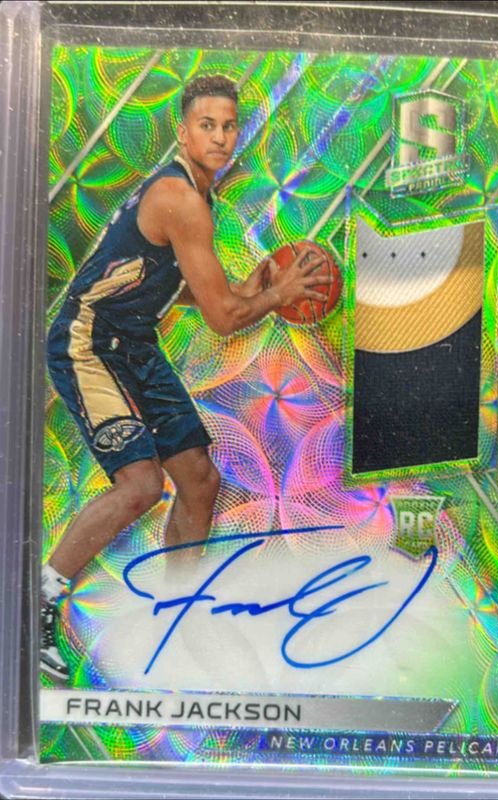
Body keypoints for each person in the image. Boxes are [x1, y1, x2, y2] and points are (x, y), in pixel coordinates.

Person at [41, 75, 329, 680]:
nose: (220, 137)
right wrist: (275, 296)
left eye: (229, 126)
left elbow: (181, 287)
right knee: (142, 485)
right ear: (183, 132)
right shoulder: (180, 198)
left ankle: (175, 616)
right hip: (89, 342)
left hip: (133, 343)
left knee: (199, 479)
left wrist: (245, 290)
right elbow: (224, 321)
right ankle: (36, 601)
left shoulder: (198, 195)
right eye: (207, 125)